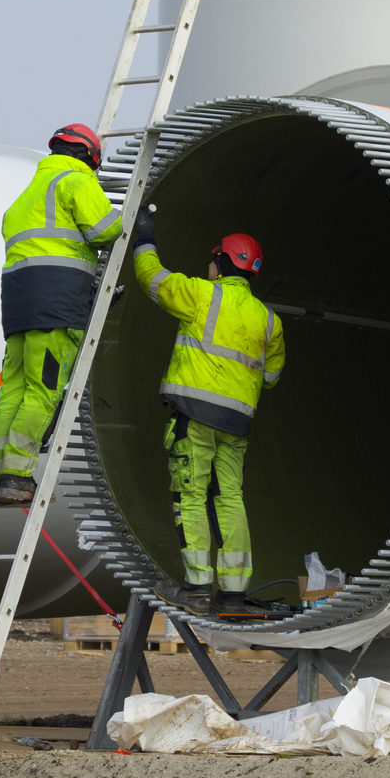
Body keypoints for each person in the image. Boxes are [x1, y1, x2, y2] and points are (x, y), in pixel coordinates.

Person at [129, 206, 286, 614]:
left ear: (221, 262)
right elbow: (271, 376)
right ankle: (232, 594)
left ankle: (196, 589)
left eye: (212, 259)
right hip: (236, 424)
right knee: (230, 498)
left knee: (191, 495)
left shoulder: (201, 294)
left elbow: (152, 278)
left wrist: (144, 238)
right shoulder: (270, 321)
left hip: (194, 413)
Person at [0, 123, 121, 504]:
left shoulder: (25, 198)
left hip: (18, 308)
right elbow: (106, 232)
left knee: (13, 389)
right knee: (44, 391)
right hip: (57, 305)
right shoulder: (76, 182)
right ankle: (17, 475)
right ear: (89, 158)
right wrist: (133, 220)